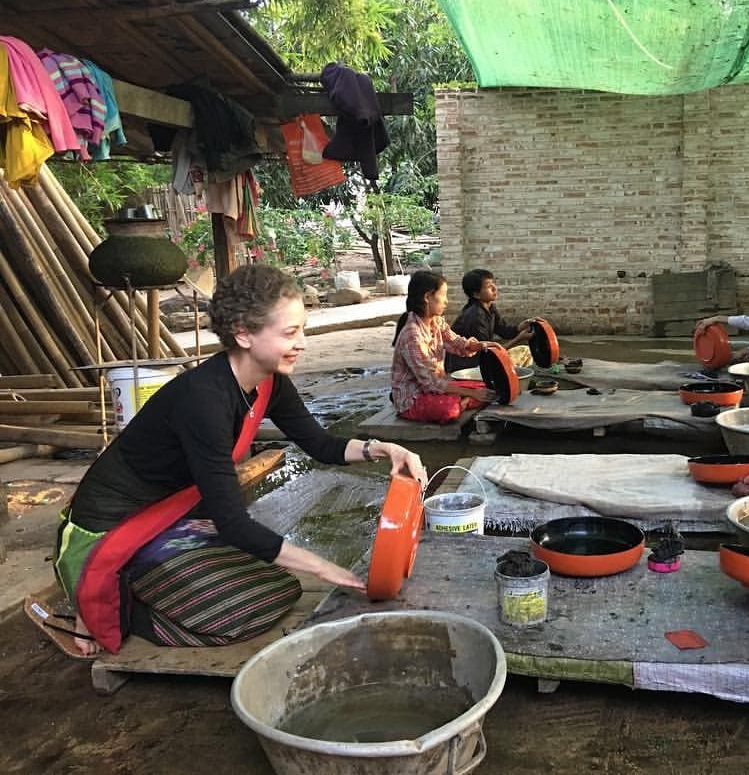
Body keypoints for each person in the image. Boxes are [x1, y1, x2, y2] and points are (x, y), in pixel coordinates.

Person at [56, 265, 427, 657]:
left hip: (165, 514)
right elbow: (233, 523)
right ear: (243, 333)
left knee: (278, 586)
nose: (302, 342)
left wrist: (383, 449)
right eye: (289, 333)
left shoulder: (269, 381)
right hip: (114, 526)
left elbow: (320, 444)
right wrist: (323, 567)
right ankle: (117, 603)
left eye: (302, 329)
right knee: (246, 609)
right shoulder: (204, 400)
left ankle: (151, 582)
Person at [391, 270, 499, 423]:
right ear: (427, 297)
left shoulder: (436, 321)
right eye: (443, 295)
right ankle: (462, 402)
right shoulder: (412, 336)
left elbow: (457, 343)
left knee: (490, 387)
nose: (446, 301)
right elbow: (430, 383)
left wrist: (479, 345)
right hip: (413, 397)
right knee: (450, 410)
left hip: (437, 387)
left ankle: (461, 399)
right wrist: (471, 393)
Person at [445, 269, 534, 373]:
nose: (494, 288)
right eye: (488, 286)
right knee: (521, 355)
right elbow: (488, 352)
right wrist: (519, 338)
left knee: (525, 351)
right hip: (469, 367)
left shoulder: (489, 307)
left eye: (493, 284)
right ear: (476, 294)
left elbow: (504, 331)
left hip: (483, 357)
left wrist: (521, 326)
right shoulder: (475, 316)